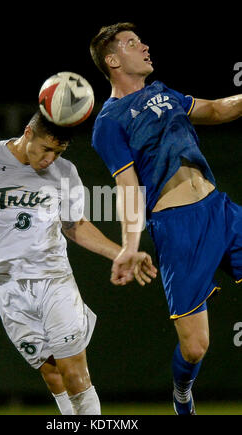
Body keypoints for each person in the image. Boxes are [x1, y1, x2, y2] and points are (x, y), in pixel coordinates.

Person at [0, 110, 155, 415]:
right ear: (28, 134)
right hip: (7, 284)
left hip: (53, 278)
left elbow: (74, 225)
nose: (50, 159)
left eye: (58, 152)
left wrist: (121, 252)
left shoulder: (65, 172)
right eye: (46, 149)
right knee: (52, 372)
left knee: (74, 370)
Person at [90, 22, 242, 415]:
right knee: (195, 347)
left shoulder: (165, 93)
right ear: (112, 60)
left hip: (220, 210)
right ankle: (181, 392)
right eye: (131, 43)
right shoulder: (109, 122)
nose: (143, 46)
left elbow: (216, 109)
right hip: (177, 228)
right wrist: (129, 246)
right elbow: (127, 187)